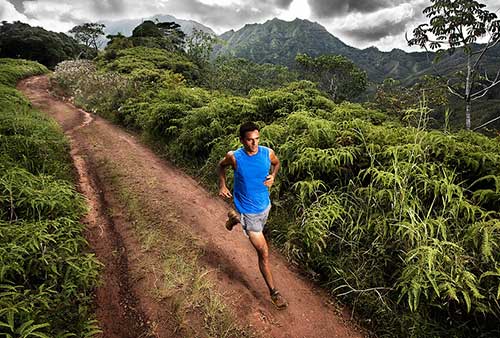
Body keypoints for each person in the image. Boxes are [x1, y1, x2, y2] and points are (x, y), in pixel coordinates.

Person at [217, 121, 288, 309]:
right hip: (249, 213)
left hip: (265, 206)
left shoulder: (267, 153)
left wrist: (274, 176)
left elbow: (277, 163)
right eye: (250, 140)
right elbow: (220, 166)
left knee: (240, 218)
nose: (254, 144)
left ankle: (234, 219)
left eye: (257, 139)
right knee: (263, 252)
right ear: (242, 140)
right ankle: (274, 292)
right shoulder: (234, 157)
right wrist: (222, 185)